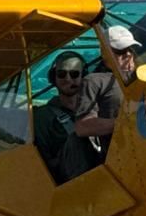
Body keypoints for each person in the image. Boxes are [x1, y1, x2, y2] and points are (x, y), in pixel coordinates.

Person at [34, 51, 118, 184]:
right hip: (73, 183)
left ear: (83, 76)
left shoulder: (100, 107)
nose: (68, 79)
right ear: (53, 77)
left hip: (109, 169)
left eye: (74, 74)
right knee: (77, 139)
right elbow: (42, 160)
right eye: (61, 74)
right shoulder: (43, 117)